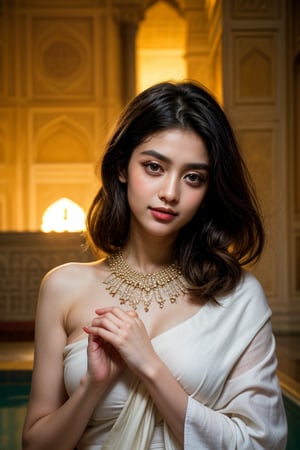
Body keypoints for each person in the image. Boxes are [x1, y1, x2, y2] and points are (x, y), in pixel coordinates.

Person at [22, 80, 287, 450]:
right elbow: (35, 444)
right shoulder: (63, 287)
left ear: (209, 191)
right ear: (121, 167)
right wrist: (91, 388)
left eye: (193, 177)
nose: (170, 192)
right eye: (154, 167)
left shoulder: (238, 296)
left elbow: (261, 443)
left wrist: (149, 366)